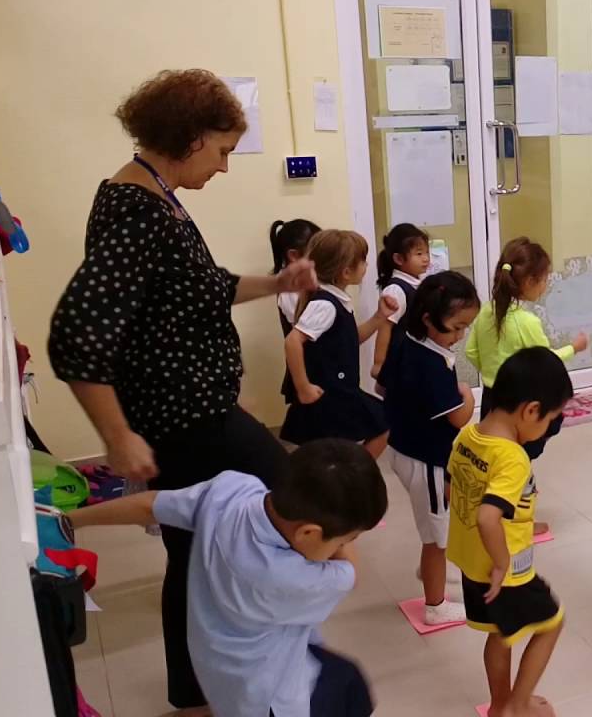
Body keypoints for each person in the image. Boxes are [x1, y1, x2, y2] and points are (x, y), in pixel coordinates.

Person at [47, 69, 316, 715]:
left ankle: (199, 690)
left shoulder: (153, 193)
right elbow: (76, 334)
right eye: (222, 151)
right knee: (289, 496)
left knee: (194, 550)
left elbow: (204, 288)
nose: (224, 167)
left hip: (197, 405)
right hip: (182, 419)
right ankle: (256, 656)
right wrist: (117, 436)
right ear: (190, 137)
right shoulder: (136, 213)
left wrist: (278, 283)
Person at [67, 439, 385, 717]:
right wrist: (345, 536)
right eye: (345, 541)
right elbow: (351, 574)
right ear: (308, 532)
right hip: (270, 696)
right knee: (349, 688)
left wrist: (69, 520)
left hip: (220, 667)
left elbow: (151, 505)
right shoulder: (288, 577)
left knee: (345, 678)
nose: (343, 547)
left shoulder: (231, 491)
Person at [446, 348, 573, 717]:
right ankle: (517, 706)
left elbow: (451, 488)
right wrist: (502, 562)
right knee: (552, 623)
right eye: (550, 419)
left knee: (500, 632)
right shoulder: (512, 457)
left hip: (471, 564)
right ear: (531, 411)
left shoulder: (468, 436)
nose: (548, 428)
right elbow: (488, 517)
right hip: (506, 572)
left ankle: (500, 705)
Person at [378, 270, 481, 625]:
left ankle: (431, 569)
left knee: (438, 521)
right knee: (436, 536)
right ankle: (435, 605)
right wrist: (467, 395)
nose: (460, 336)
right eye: (455, 328)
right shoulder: (432, 363)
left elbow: (381, 386)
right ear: (427, 318)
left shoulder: (405, 340)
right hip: (426, 459)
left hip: (401, 447)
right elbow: (458, 418)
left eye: (465, 327)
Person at [466, 237, 587, 535]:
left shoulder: (486, 311)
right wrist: (573, 348)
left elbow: (471, 352)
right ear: (530, 281)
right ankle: (518, 519)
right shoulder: (526, 322)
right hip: (521, 403)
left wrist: (492, 372)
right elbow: (546, 361)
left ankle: (498, 505)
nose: (546, 285)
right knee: (517, 460)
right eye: (545, 279)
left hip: (493, 397)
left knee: (498, 455)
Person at [281, 229, 394, 460]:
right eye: (362, 261)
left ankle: (349, 472)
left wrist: (379, 317)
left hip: (341, 391)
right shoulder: (326, 305)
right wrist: (303, 387)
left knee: (340, 447)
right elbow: (292, 341)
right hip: (331, 395)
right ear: (345, 272)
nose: (366, 266)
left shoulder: (336, 300)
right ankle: (354, 473)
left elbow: (350, 339)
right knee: (382, 424)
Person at [371, 223, 432, 378]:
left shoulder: (417, 283)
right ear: (398, 258)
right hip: (401, 362)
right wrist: (379, 363)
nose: (426, 258)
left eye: (427, 252)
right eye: (419, 254)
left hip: (416, 357)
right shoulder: (396, 290)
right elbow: (385, 327)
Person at [271, 218, 322, 402]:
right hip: (309, 372)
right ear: (293, 255)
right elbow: (305, 331)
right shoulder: (290, 289)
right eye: (316, 252)